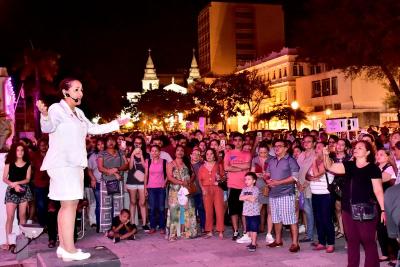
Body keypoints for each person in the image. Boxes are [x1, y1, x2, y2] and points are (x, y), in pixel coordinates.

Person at [36, 78, 128, 261]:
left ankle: (64, 247)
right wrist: (44, 115)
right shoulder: (56, 108)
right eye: (77, 89)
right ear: (65, 92)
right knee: (69, 206)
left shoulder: (78, 112)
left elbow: (93, 128)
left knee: (67, 206)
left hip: (75, 164)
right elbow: (47, 126)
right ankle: (70, 250)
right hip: (63, 164)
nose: (81, 93)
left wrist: (116, 123)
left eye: (82, 90)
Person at [323, 140, 385, 267]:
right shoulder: (349, 165)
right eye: (355, 147)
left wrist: (383, 210)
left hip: (366, 209)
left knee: (368, 242)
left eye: (360, 148)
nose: (356, 149)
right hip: (348, 209)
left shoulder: (373, 168)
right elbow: (330, 167)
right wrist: (325, 155)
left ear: (367, 152)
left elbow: (378, 190)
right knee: (352, 241)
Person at [266, 139, 300, 253]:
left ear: (286, 148)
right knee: (276, 219)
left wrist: (278, 183)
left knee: (291, 219)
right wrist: (268, 180)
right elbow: (267, 174)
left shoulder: (291, 160)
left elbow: (295, 177)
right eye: (275, 146)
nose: (276, 148)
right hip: (273, 194)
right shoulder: (271, 161)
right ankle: (278, 240)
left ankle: (295, 243)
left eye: (279, 146)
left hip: (286, 194)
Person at [2, 143, 32, 251]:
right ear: (14, 151)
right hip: (11, 191)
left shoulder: (28, 163)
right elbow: (4, 178)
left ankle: (22, 240)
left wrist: (17, 183)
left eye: (22, 150)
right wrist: (13, 185)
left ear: (24, 152)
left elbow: (28, 179)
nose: (20, 152)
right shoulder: (9, 163)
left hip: (24, 190)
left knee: (23, 216)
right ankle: (8, 242)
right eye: (18, 150)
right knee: (10, 217)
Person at [307, 142, 335, 253]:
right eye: (316, 147)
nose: (316, 149)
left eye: (319, 147)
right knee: (318, 219)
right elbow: (307, 175)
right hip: (315, 194)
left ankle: (331, 243)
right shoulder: (315, 161)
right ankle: (321, 241)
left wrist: (313, 161)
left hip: (325, 195)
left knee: (327, 219)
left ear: (325, 149)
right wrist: (309, 177)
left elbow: (317, 173)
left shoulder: (328, 161)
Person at [97, 135, 129, 233]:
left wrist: (118, 169)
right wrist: (113, 172)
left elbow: (126, 164)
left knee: (118, 206)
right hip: (106, 182)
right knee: (105, 207)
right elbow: (100, 168)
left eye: (112, 141)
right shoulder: (102, 153)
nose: (111, 143)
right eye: (108, 141)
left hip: (118, 182)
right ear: (106, 143)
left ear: (115, 142)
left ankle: (118, 227)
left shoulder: (120, 152)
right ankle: (106, 229)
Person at [224, 132, 252, 242]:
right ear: (233, 142)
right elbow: (226, 167)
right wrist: (241, 168)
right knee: (234, 211)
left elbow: (247, 166)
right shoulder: (228, 153)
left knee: (244, 211)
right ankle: (236, 230)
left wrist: (233, 166)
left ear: (243, 141)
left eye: (240, 140)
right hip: (232, 186)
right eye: (235, 140)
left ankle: (245, 231)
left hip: (245, 186)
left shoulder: (247, 153)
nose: (238, 142)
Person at [166, 145, 197, 241]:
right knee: (174, 212)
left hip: (186, 190)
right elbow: (170, 177)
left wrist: (189, 181)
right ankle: (173, 234)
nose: (180, 152)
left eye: (182, 150)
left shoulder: (187, 162)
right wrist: (181, 182)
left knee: (185, 211)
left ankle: (185, 232)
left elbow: (193, 174)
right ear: (174, 152)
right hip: (175, 191)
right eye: (178, 150)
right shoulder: (170, 164)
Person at [375, 149, 398, 264]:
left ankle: (393, 254)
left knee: (387, 228)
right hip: (377, 202)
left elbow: (381, 179)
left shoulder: (389, 168)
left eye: (381, 154)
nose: (378, 156)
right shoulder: (376, 167)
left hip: (387, 202)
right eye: (377, 154)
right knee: (380, 229)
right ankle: (385, 253)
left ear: (387, 157)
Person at [198, 148, 225, 239]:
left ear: (214, 155)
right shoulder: (202, 167)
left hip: (217, 189)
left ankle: (220, 230)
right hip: (206, 189)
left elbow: (224, 177)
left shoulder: (219, 165)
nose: (209, 156)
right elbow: (200, 180)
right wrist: (202, 189)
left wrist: (220, 179)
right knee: (208, 210)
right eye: (207, 154)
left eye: (211, 154)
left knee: (219, 209)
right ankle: (209, 230)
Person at [250, 143, 273, 244]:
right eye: (260, 153)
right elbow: (251, 172)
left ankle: (269, 233)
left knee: (270, 211)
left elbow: (276, 172)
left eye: (265, 153)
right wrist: (257, 174)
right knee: (256, 210)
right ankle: (252, 232)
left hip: (270, 186)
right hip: (258, 186)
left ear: (268, 152)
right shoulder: (255, 159)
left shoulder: (272, 159)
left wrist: (267, 175)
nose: (263, 155)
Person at [145, 145, 168, 234]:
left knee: (161, 208)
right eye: (152, 151)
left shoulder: (164, 162)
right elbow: (146, 175)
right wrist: (145, 188)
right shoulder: (148, 162)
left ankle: (162, 227)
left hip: (161, 188)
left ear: (159, 152)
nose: (154, 153)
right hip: (151, 188)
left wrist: (164, 183)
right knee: (152, 208)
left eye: (156, 151)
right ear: (150, 152)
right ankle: (153, 226)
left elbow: (168, 174)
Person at [127, 147, 149, 232]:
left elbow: (145, 166)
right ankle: (132, 223)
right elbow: (130, 167)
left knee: (142, 203)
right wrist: (132, 154)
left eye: (140, 143)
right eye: (136, 143)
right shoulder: (130, 154)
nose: (138, 146)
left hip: (142, 182)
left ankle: (144, 224)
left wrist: (141, 155)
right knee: (133, 202)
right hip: (131, 181)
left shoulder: (146, 155)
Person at [239, 172, 260, 252]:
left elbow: (253, 199)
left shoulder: (256, 189)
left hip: (254, 213)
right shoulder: (244, 189)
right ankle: (252, 242)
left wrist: (245, 197)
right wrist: (248, 197)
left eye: (249, 179)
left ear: (254, 181)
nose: (246, 181)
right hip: (247, 213)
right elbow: (240, 198)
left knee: (254, 228)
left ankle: (254, 243)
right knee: (250, 228)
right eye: (245, 179)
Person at [87, 138, 105, 233]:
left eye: (102, 144)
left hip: (108, 183)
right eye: (98, 144)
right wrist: (93, 178)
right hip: (97, 183)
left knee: (107, 204)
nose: (101, 146)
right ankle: (99, 224)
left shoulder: (109, 154)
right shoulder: (93, 156)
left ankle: (107, 224)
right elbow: (89, 169)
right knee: (99, 204)